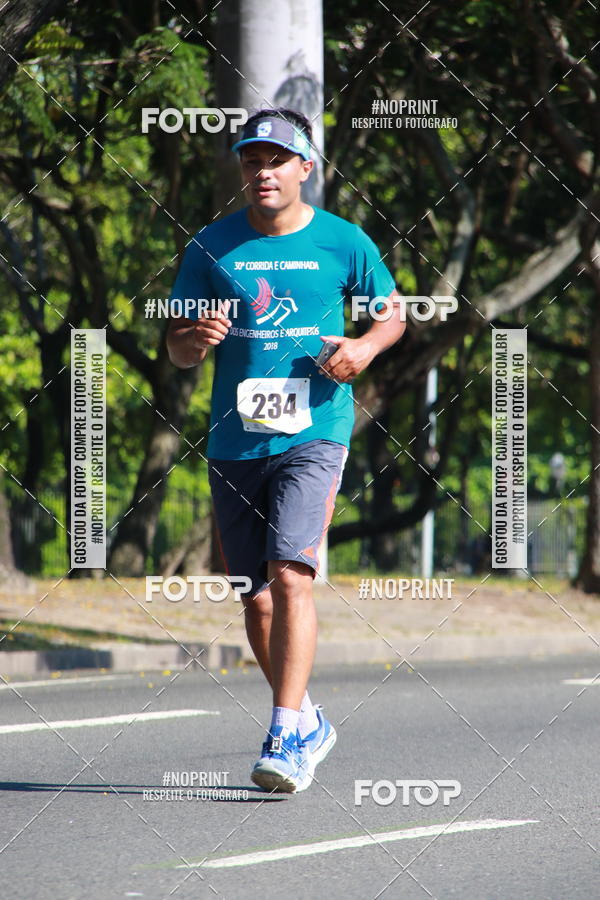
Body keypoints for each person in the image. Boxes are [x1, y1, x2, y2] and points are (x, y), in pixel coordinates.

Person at [167, 107, 405, 793]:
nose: (262, 172)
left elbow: (390, 313)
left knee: (291, 572)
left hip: (315, 431)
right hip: (235, 437)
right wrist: (192, 340)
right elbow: (178, 348)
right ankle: (307, 718)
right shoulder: (211, 246)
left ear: (306, 168)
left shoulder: (343, 240)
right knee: (256, 599)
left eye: (276, 160)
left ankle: (283, 736)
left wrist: (362, 346)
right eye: (251, 160)